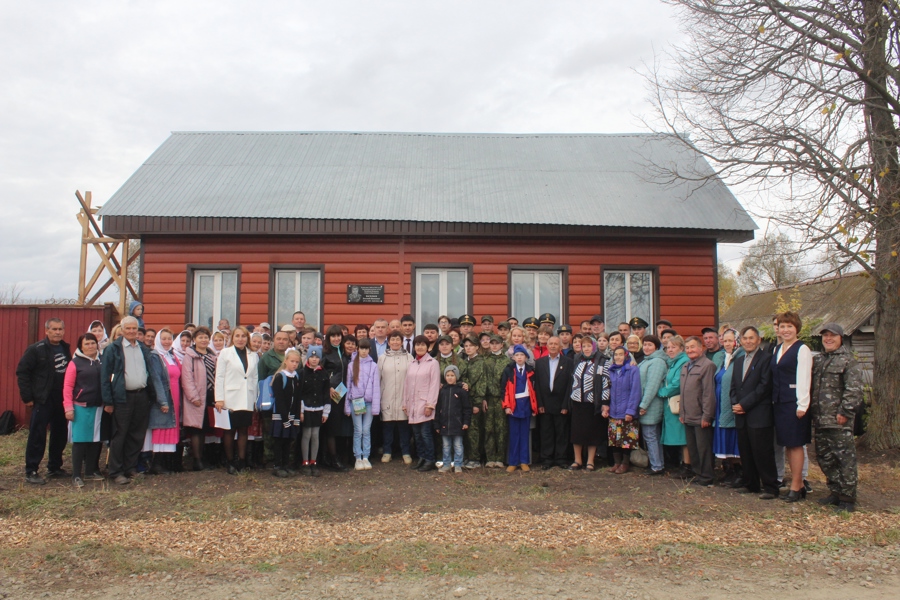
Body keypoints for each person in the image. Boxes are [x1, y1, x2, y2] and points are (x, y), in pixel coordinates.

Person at [811, 323, 864, 512]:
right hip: (820, 419)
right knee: (825, 457)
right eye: (825, 336)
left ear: (841, 338)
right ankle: (835, 491)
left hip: (839, 419)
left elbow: (854, 389)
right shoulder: (818, 360)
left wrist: (845, 412)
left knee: (844, 459)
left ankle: (848, 497)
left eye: (832, 336)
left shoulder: (848, 361)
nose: (828, 339)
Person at [101, 316, 157, 485]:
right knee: (120, 434)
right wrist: (108, 402)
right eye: (129, 329)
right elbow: (105, 377)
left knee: (137, 434)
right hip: (122, 397)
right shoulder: (113, 349)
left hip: (141, 396)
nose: (132, 331)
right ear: (122, 330)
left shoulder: (142, 348)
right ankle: (116, 471)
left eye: (135, 328)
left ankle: (130, 467)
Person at [17, 317, 71, 485]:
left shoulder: (64, 348)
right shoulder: (36, 349)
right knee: (38, 434)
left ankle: (54, 467)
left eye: (60, 329)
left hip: (61, 399)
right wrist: (27, 397)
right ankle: (31, 470)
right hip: (43, 398)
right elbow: (22, 372)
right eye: (54, 329)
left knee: (60, 433)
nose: (57, 332)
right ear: (46, 331)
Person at [730, 326, 779, 500]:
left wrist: (744, 404)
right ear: (741, 341)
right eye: (745, 338)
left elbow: (764, 386)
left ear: (758, 340)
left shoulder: (766, 359)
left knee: (762, 451)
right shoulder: (738, 361)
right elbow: (734, 386)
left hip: (759, 412)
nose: (748, 341)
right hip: (741, 413)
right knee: (746, 450)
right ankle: (751, 484)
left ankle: (771, 487)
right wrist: (735, 403)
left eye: (752, 338)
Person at [771, 311, 813, 503]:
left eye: (789, 326)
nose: (785, 330)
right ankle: (799, 484)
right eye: (782, 326)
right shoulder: (777, 349)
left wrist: (802, 405)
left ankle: (797, 485)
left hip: (795, 403)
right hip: (780, 402)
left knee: (796, 444)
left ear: (796, 328)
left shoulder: (802, 349)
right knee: (788, 444)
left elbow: (804, 378)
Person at [62, 332, 107, 487]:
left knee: (95, 440)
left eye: (93, 343)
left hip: (98, 406)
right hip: (80, 407)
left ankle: (90, 471)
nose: (90, 346)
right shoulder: (75, 363)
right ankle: (76, 475)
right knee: (80, 441)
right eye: (86, 344)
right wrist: (68, 407)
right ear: (80, 346)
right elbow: (68, 386)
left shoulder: (101, 361)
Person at [215, 326, 259, 474]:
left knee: (243, 430)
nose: (240, 339)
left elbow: (254, 377)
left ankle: (241, 460)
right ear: (232, 338)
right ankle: (230, 461)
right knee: (229, 431)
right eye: (237, 336)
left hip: (247, 397)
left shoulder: (253, 355)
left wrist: (255, 398)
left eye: (243, 336)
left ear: (247, 338)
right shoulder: (226, 353)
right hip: (230, 397)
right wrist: (219, 399)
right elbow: (219, 377)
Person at [679, 336, 717, 487]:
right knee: (693, 447)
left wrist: (707, 415)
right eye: (687, 348)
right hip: (687, 414)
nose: (690, 350)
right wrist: (682, 412)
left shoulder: (708, 365)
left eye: (693, 347)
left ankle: (707, 476)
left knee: (704, 448)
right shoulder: (686, 366)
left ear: (701, 348)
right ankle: (697, 473)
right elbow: (682, 392)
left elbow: (708, 392)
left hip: (701, 415)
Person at [567, 336, 609, 471]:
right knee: (577, 433)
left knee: (592, 433)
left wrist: (604, 402)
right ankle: (577, 460)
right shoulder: (577, 360)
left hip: (593, 403)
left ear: (594, 347)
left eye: (589, 346)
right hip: (578, 402)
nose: (586, 349)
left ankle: (590, 461)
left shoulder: (602, 361)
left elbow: (606, 383)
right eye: (583, 346)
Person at [533, 336, 574, 469]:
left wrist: (565, 405)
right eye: (550, 344)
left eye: (556, 344)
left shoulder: (568, 362)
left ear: (560, 346)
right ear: (547, 346)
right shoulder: (539, 363)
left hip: (561, 403)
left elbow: (569, 385)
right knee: (546, 432)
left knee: (561, 431)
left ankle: (561, 458)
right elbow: (537, 385)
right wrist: (540, 404)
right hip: (545, 403)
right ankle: (547, 458)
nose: (553, 346)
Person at [181, 326, 216, 471]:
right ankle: (196, 460)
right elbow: (187, 378)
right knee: (196, 429)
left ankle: (203, 458)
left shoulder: (211, 355)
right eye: (200, 337)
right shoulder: (190, 356)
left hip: (210, 395)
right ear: (194, 340)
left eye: (206, 337)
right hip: (196, 397)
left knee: (205, 428)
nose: (204, 340)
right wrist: (193, 396)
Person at [403, 335, 440, 472]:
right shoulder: (412, 364)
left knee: (426, 434)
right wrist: (405, 403)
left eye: (422, 345)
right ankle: (421, 457)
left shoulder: (432, 363)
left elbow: (434, 385)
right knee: (417, 435)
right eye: (417, 345)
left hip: (424, 405)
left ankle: (430, 459)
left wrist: (430, 405)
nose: (419, 347)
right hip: (412, 405)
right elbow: (406, 385)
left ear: (427, 347)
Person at [603, 347, 642, 474]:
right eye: (616, 355)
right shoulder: (612, 370)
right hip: (614, 410)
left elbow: (635, 391)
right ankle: (616, 463)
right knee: (614, 439)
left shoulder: (633, 370)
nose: (618, 357)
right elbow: (607, 390)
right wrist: (606, 407)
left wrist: (630, 411)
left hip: (626, 411)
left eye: (621, 354)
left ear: (626, 356)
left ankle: (625, 464)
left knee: (626, 440)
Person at [147, 329, 181, 475]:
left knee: (171, 428)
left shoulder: (171, 355)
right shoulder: (155, 356)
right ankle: (157, 464)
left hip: (175, 396)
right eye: (164, 338)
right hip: (165, 397)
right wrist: (162, 401)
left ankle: (167, 463)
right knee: (162, 428)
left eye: (169, 338)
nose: (167, 341)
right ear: (158, 340)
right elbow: (156, 380)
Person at [344, 338, 381, 470]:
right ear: (357, 349)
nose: (364, 351)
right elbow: (348, 386)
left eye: (366, 349)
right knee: (358, 430)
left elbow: (376, 386)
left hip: (369, 403)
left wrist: (376, 407)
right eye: (361, 348)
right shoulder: (351, 365)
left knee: (366, 430)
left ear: (369, 350)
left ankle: (366, 456)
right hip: (356, 402)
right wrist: (347, 407)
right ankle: (357, 457)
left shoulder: (374, 365)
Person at [378, 331, 413, 464]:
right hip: (387, 396)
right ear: (389, 341)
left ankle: (406, 452)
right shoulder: (382, 358)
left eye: (398, 340)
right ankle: (387, 451)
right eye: (392, 340)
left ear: (402, 341)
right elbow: (378, 378)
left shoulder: (409, 357)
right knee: (388, 426)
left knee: (404, 427)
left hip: (404, 397)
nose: (395, 342)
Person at [713, 329, 743, 485]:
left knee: (734, 439)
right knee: (725, 438)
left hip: (733, 406)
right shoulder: (724, 358)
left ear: (737, 341)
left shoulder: (741, 357)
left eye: (730, 341)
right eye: (725, 341)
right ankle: (729, 471)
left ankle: (740, 473)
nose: (727, 344)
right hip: (721, 406)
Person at [501, 345, 537, 472]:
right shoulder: (508, 371)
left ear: (526, 357)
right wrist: (506, 406)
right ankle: (513, 461)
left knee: (525, 435)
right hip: (513, 406)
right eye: (517, 355)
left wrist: (534, 407)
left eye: (522, 355)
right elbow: (504, 389)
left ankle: (524, 461)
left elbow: (534, 390)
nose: (520, 357)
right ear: (513, 357)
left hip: (526, 406)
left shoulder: (531, 371)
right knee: (514, 434)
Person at [637, 335, 668, 475]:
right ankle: (658, 463)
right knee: (652, 435)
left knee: (650, 435)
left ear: (656, 347)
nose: (646, 347)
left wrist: (643, 405)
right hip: (647, 403)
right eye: (644, 345)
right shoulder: (647, 361)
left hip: (651, 405)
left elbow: (652, 386)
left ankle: (656, 466)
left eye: (649, 345)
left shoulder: (657, 362)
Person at [434, 365, 473, 473]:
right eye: (448, 375)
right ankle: (446, 464)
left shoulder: (461, 391)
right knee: (446, 446)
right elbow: (438, 409)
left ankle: (458, 464)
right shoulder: (442, 391)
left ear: (457, 376)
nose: (450, 377)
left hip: (458, 424)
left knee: (458, 445)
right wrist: (437, 424)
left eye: (452, 375)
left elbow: (466, 408)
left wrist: (466, 422)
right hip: (444, 424)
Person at [660, 336, 690, 474]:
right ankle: (682, 464)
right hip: (671, 404)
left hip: (679, 403)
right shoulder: (672, 362)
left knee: (683, 437)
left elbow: (677, 384)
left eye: (674, 347)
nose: (670, 350)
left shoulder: (683, 362)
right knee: (679, 437)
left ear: (681, 348)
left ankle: (687, 465)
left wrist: (661, 392)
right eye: (668, 347)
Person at [299, 346, 331, 476]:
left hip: (318, 408)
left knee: (315, 435)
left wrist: (326, 412)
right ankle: (305, 462)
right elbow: (300, 393)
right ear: (308, 358)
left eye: (317, 357)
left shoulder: (323, 373)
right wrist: (300, 411)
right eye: (312, 357)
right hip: (306, 408)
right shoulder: (302, 373)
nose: (314, 359)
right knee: (306, 435)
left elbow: (326, 393)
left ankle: (314, 461)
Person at [322, 325, 350, 472]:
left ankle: (337, 456)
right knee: (331, 427)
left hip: (343, 393)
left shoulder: (344, 352)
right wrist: (328, 387)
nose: (336, 338)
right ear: (328, 338)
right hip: (333, 393)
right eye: (333, 336)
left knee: (339, 426)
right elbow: (320, 373)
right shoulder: (325, 353)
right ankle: (333, 459)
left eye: (338, 336)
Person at [270, 349, 302, 478]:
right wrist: (284, 418)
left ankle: (285, 464)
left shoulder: (296, 377)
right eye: (292, 361)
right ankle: (277, 465)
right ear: (286, 361)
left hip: (292, 415)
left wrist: (296, 417)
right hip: (280, 416)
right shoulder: (280, 377)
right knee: (279, 441)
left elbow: (297, 398)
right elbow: (279, 399)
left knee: (288, 441)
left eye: (297, 362)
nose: (294, 364)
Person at [482, 334, 509, 468]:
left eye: (496, 343)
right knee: (489, 429)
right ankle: (490, 457)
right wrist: (483, 398)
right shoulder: (485, 360)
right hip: (489, 399)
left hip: (502, 399)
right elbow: (483, 381)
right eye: (492, 343)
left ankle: (500, 458)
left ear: (501, 345)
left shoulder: (507, 361)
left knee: (501, 428)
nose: (494, 345)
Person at [461, 335, 486, 468]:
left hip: (474, 400)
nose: (468, 348)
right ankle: (468, 456)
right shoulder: (466, 361)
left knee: (474, 431)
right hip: (465, 401)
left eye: (471, 345)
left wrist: (477, 403)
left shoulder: (480, 362)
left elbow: (481, 384)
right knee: (467, 430)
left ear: (477, 347)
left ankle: (475, 458)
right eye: (466, 346)